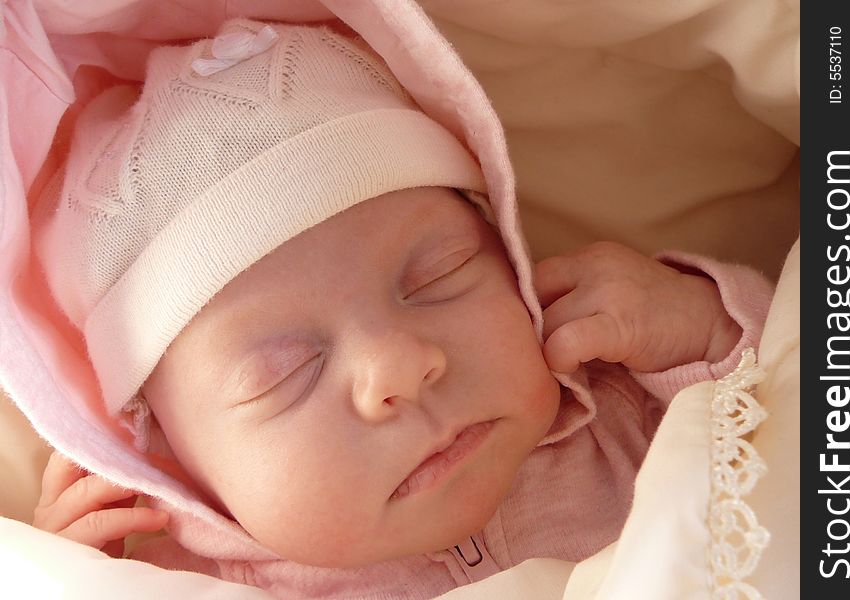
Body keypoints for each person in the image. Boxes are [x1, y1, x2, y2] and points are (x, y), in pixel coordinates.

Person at [30, 18, 772, 598]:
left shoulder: (631, 409)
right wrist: (66, 580)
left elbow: (813, 427)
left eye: (438, 276)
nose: (401, 365)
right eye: (283, 374)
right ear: (166, 458)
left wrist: (703, 324)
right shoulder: (183, 582)